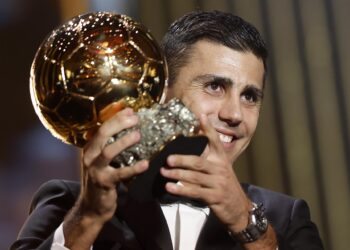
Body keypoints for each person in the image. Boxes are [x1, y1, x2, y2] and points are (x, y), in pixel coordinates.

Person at [11, 10, 324, 250]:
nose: (234, 114)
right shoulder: (69, 204)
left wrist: (248, 224)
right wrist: (89, 217)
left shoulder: (286, 217)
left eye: (250, 96)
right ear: (161, 94)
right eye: (215, 86)